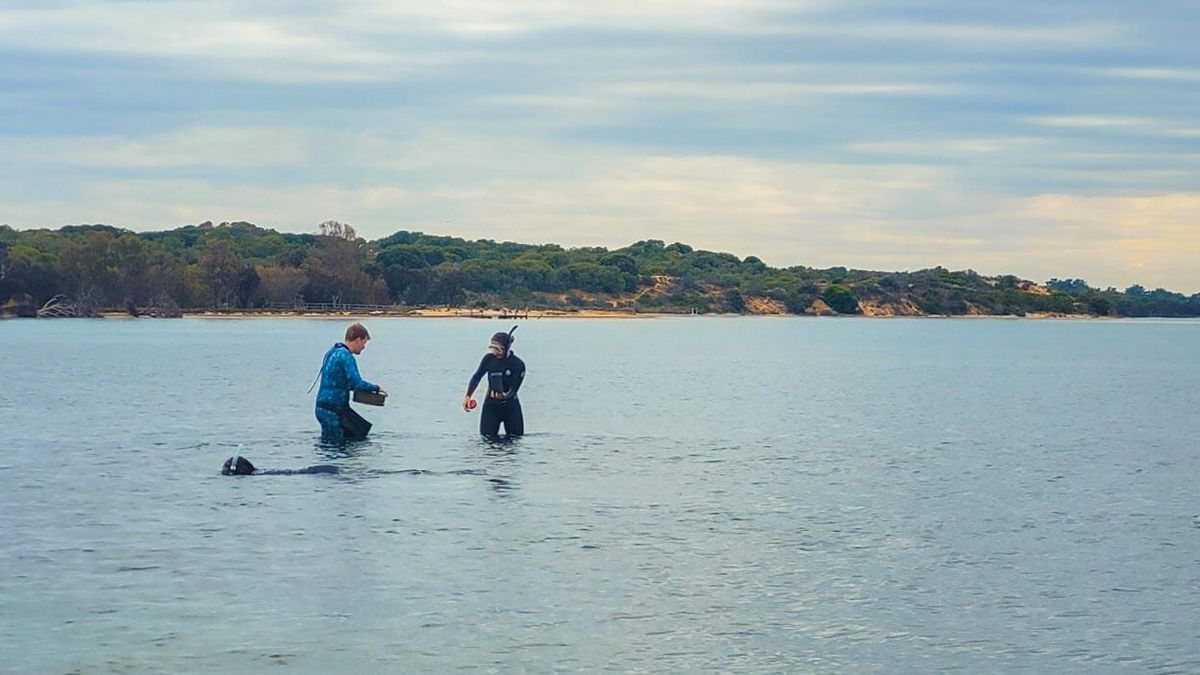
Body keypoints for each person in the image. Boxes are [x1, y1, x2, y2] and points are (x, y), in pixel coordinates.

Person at [314, 322, 385, 443]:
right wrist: (377, 388)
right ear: (358, 340)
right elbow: (357, 383)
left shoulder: (333, 351)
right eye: (364, 343)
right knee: (335, 447)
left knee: (360, 432)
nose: (364, 347)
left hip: (326, 407)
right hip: (332, 411)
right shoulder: (345, 356)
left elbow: (347, 383)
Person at [463, 328, 525, 438]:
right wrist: (468, 396)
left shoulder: (518, 364)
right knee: (487, 438)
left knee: (515, 438)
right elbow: (477, 377)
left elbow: (515, 388)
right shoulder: (488, 359)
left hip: (511, 407)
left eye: (498, 350)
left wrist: (505, 396)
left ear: (506, 348)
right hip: (491, 405)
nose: (495, 353)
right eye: (492, 349)